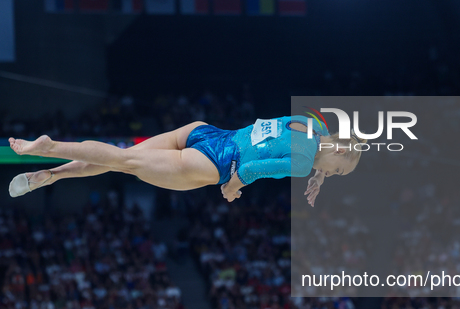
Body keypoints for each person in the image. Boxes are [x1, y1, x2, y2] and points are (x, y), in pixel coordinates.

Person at [8, 116, 364, 206]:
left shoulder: (312, 127)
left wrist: (320, 173)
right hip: (213, 164)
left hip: (204, 133)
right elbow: (252, 169)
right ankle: (50, 147)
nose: (333, 173)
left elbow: (309, 151)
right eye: (339, 169)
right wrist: (232, 189)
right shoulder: (303, 163)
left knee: (122, 159)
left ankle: (51, 175)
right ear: (341, 151)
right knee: (124, 161)